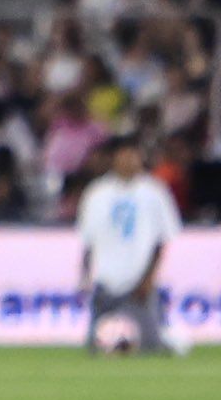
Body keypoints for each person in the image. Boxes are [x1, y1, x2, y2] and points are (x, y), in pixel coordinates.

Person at [76, 135, 184, 356]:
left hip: (138, 281)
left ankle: (166, 338)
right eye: (124, 155)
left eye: (133, 155)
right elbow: (88, 241)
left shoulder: (155, 192)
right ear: (114, 158)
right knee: (96, 348)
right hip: (105, 280)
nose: (129, 160)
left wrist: (148, 278)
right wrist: (85, 275)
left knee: (148, 346)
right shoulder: (97, 193)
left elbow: (161, 241)